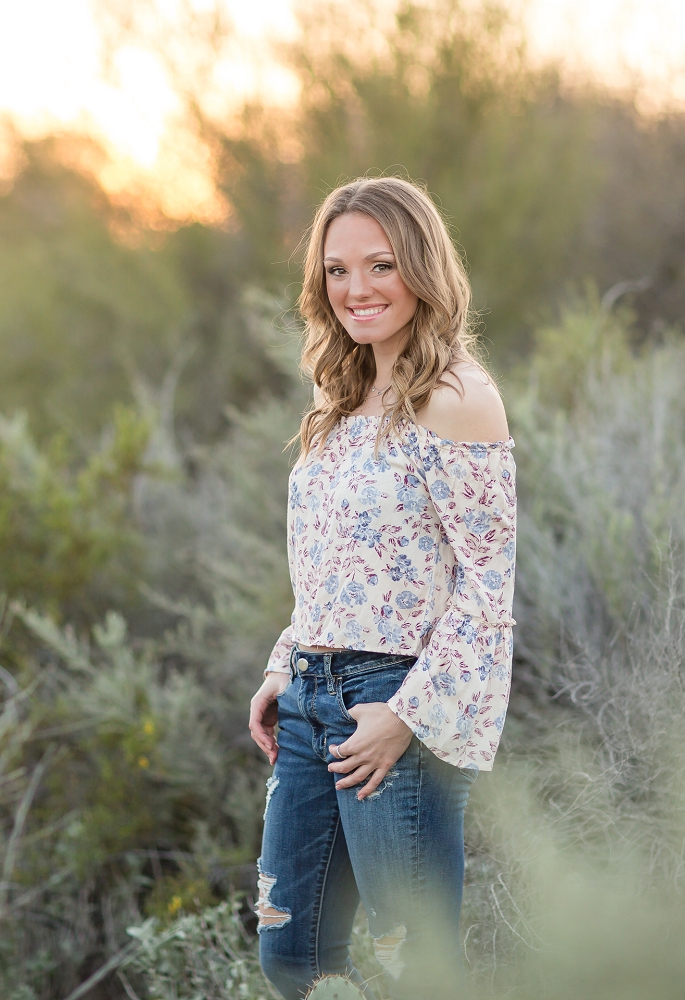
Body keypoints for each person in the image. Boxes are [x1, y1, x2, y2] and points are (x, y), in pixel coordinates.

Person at [246, 176, 517, 1000]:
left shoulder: (458, 398)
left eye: (381, 265)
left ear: (423, 269)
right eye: (336, 271)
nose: (356, 289)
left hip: (398, 702)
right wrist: (284, 663)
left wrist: (406, 716)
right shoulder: (339, 392)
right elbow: (330, 562)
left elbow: (487, 590)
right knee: (293, 957)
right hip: (309, 696)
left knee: (417, 970)